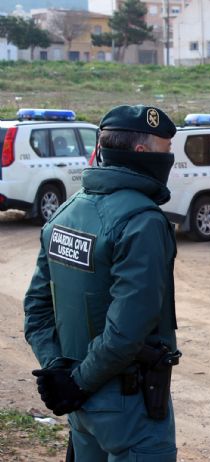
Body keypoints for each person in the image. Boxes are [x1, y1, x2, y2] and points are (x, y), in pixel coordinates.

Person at [24, 105, 181, 461]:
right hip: (131, 408)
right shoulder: (142, 221)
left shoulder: (66, 212)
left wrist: (60, 372)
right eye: (167, 150)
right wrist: (76, 380)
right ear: (142, 153)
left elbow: (36, 311)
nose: (170, 159)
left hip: (83, 405)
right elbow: (128, 329)